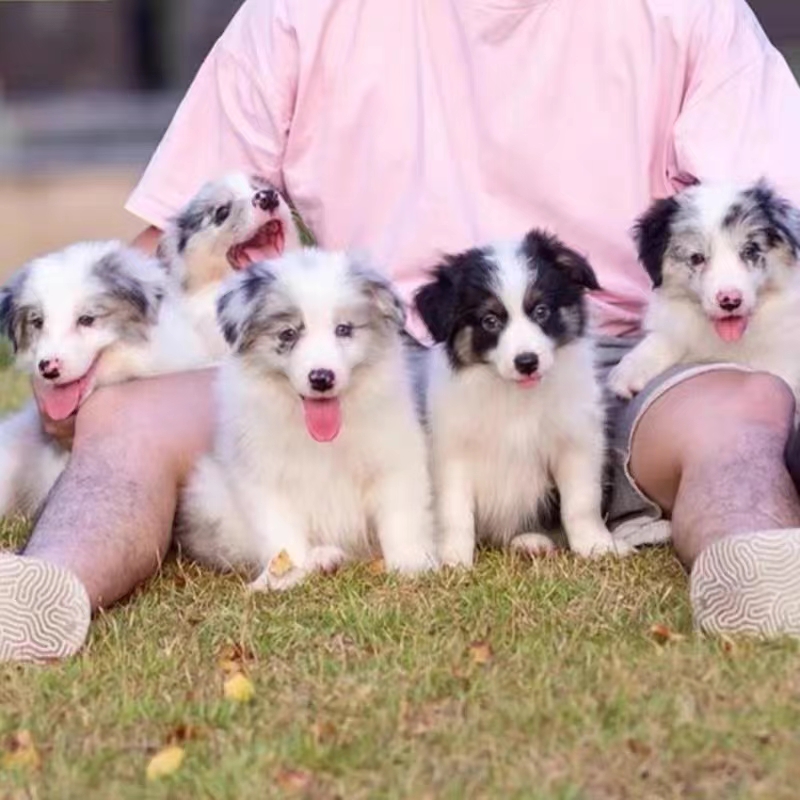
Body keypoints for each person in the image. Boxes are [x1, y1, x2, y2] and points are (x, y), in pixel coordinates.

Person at [2, 0, 800, 661]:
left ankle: (754, 569)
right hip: (373, 356)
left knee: (741, 409)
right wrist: (79, 367)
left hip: (610, 352)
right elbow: (177, 234)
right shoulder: (297, 14)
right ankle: (43, 592)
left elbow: (777, 210)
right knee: (131, 417)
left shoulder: (689, 12)